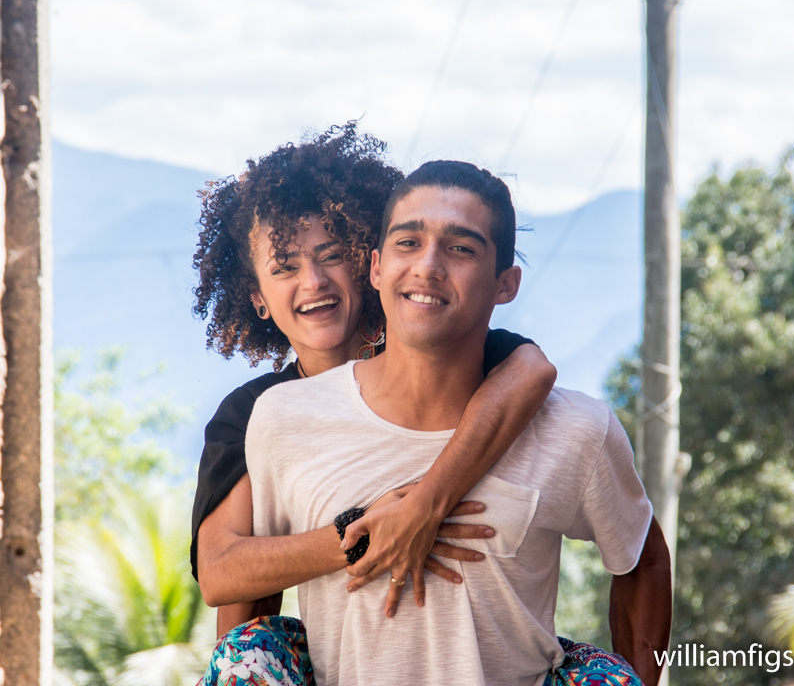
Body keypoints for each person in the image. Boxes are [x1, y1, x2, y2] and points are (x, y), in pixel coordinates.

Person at [242, 161, 673, 686]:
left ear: (505, 284)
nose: (428, 266)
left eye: (461, 248)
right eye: (407, 243)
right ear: (376, 268)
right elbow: (254, 609)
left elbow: (644, 561)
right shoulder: (284, 420)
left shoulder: (577, 429)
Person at [190, 125, 559, 643]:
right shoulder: (258, 412)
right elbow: (226, 575)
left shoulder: (432, 350)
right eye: (285, 267)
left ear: (368, 260)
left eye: (331, 254)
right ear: (257, 297)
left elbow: (532, 371)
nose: (313, 282)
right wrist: (363, 532)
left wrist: (425, 504)